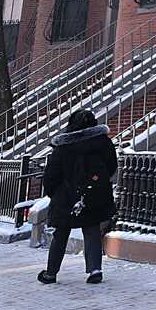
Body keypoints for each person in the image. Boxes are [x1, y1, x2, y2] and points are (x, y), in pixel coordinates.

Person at [38, 109, 116, 284]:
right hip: (92, 194)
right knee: (92, 230)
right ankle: (95, 269)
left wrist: (55, 193)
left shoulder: (63, 146)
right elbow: (111, 166)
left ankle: (51, 272)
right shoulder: (103, 143)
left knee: (61, 233)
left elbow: (51, 175)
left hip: (65, 196)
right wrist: (97, 185)